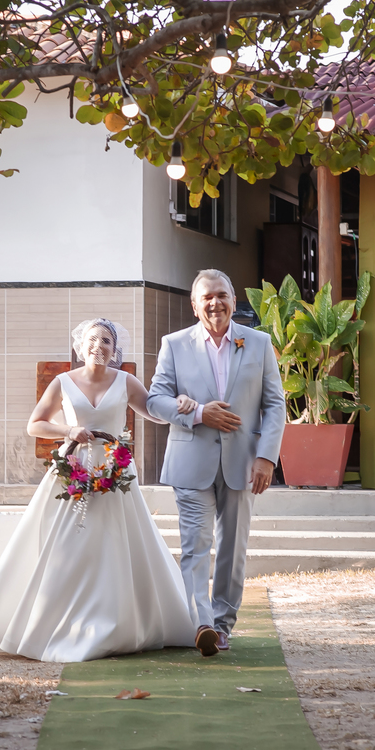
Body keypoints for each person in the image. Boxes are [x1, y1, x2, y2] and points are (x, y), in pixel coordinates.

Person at [0, 318, 198, 662]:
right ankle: (56, 623)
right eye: (93, 341)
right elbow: (34, 424)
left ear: (115, 351)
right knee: (68, 542)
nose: (99, 346)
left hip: (115, 471)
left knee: (116, 541)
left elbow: (154, 411)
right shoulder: (62, 382)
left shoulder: (126, 381)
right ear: (81, 347)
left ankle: (119, 623)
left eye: (107, 342)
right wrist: (69, 431)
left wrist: (182, 403)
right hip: (74, 470)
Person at [146, 269, 286, 657]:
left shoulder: (258, 343)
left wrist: (265, 457)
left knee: (232, 547)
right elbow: (155, 400)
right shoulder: (174, 345)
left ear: (233, 299)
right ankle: (201, 622)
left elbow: (275, 404)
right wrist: (196, 414)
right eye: (206, 297)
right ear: (194, 306)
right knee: (196, 544)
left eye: (222, 295)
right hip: (191, 460)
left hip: (244, 462)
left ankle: (223, 624)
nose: (215, 303)